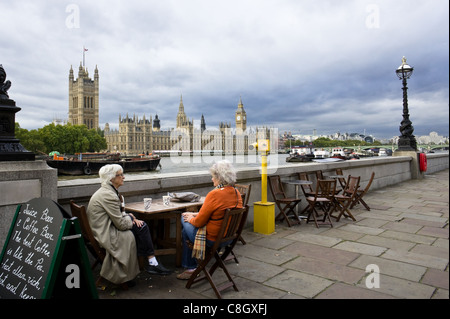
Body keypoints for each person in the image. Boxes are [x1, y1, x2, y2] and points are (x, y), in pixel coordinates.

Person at [87, 164, 171, 286]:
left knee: (140, 227)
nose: (123, 177)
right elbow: (121, 224)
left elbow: (118, 216)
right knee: (141, 227)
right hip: (105, 234)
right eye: (120, 175)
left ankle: (150, 262)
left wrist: (129, 217)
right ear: (111, 178)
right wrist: (131, 217)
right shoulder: (109, 195)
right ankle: (151, 262)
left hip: (102, 229)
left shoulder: (108, 191)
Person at [177, 160, 243, 280]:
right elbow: (217, 213)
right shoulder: (236, 192)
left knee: (183, 218)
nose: (212, 179)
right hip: (228, 239)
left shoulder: (214, 194)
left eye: (213, 176)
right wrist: (195, 214)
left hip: (212, 240)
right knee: (186, 229)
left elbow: (199, 223)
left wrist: (190, 217)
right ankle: (192, 264)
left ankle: (191, 266)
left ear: (219, 177)